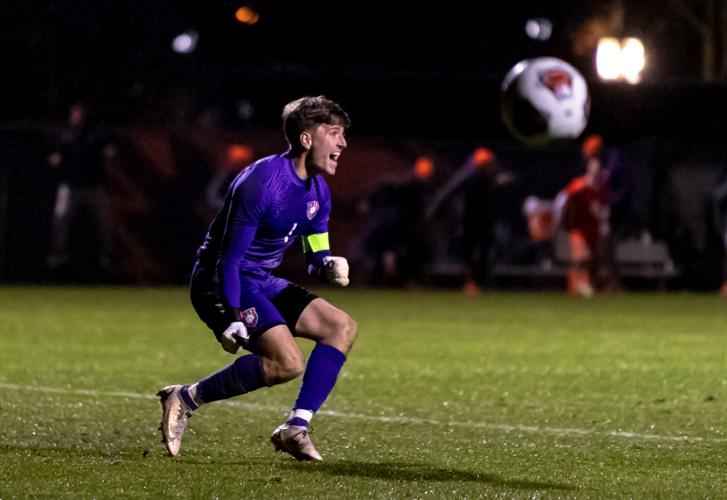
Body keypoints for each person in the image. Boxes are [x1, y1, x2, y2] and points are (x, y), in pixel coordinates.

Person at [157, 96, 357, 462]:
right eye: (334, 134)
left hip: (260, 279)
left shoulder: (318, 192)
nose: (343, 144)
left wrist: (326, 265)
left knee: (341, 326)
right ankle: (186, 398)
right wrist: (232, 316)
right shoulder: (262, 182)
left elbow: (313, 257)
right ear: (307, 139)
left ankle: (296, 427)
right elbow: (229, 261)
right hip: (219, 280)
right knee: (288, 363)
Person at [46, 102, 115, 277]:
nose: (78, 117)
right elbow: (55, 155)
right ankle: (58, 257)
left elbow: (109, 151)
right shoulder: (66, 133)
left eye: (81, 113)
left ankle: (107, 258)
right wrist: (56, 159)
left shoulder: (97, 133)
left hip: (94, 186)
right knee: (60, 219)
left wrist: (108, 152)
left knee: (104, 224)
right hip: (70, 186)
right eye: (76, 113)